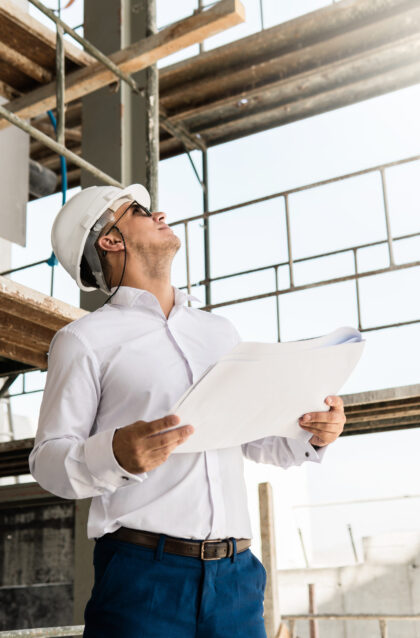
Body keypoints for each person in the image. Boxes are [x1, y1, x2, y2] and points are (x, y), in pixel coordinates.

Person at [29, 183, 346, 638]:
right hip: (143, 581)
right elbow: (48, 462)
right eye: (138, 211)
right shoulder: (83, 342)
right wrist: (113, 454)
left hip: (237, 580)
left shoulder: (219, 332)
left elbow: (255, 437)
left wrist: (314, 433)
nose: (158, 214)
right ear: (110, 240)